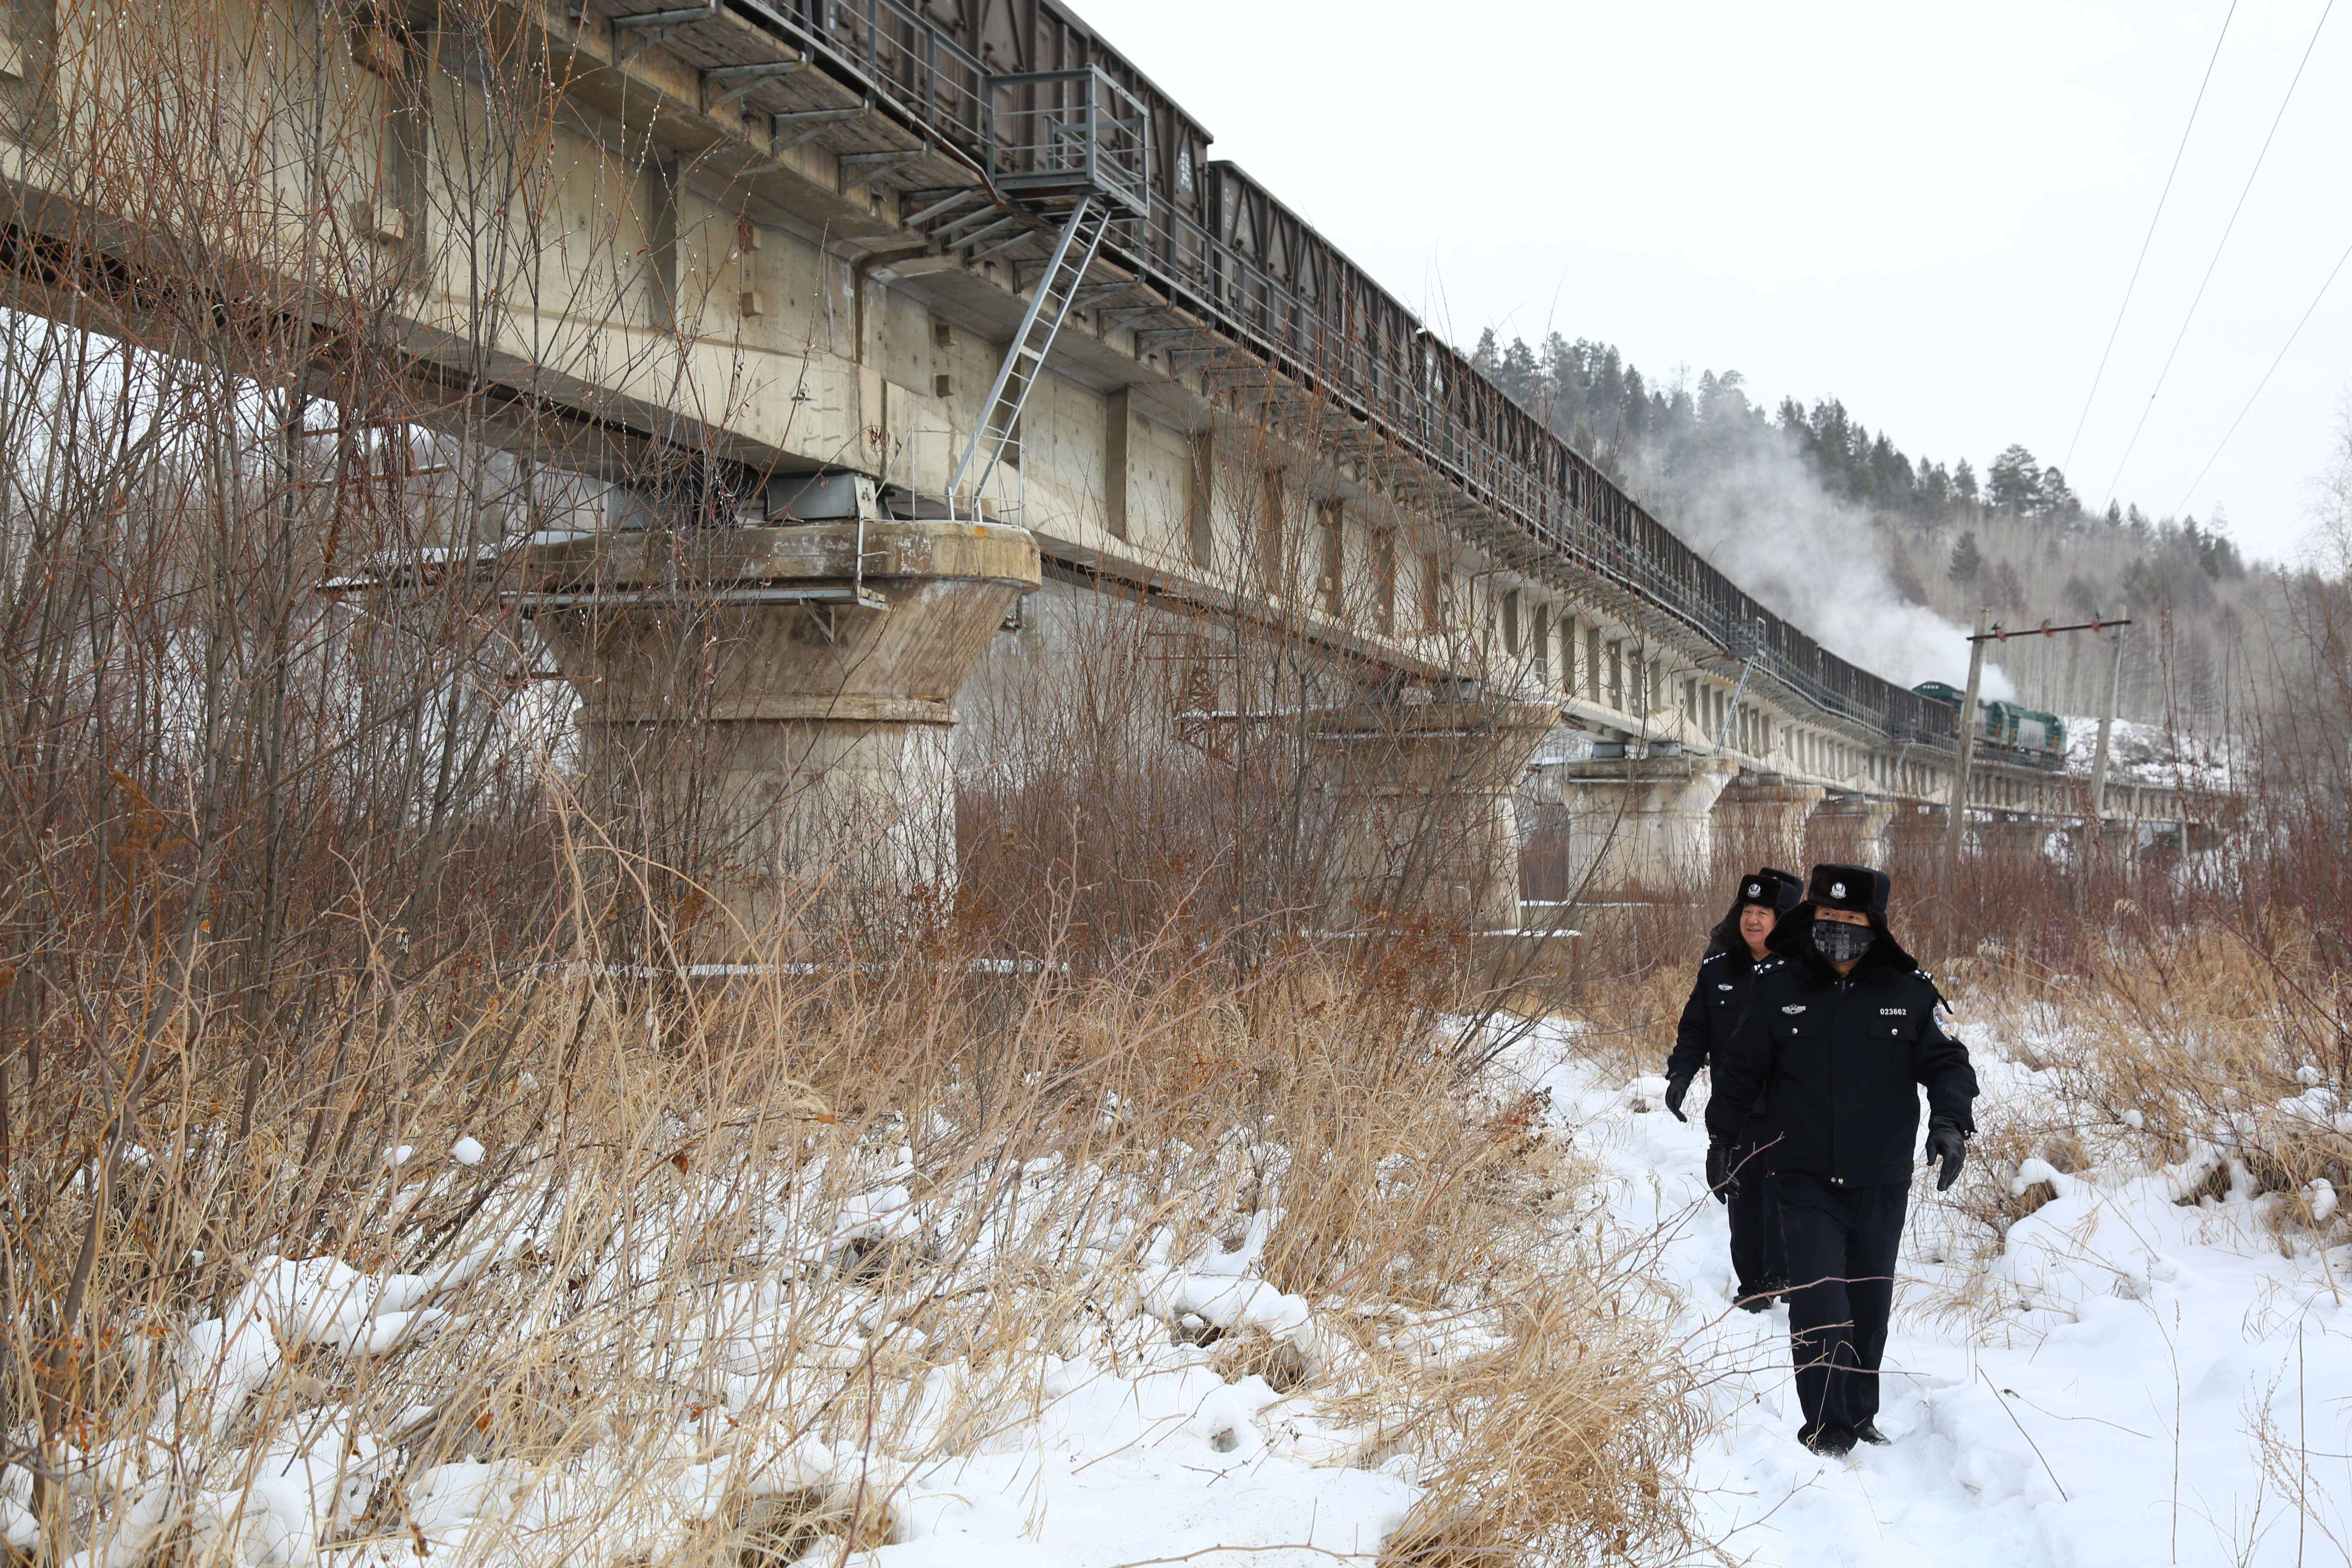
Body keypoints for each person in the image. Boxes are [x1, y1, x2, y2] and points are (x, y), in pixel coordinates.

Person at [1703, 863, 1976, 1458]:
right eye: (1827, 919)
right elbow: (1743, 1070)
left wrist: (1951, 1124)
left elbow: (1948, 1065)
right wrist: (1722, 1139)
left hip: (1881, 1178)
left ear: (1874, 927)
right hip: (1802, 1177)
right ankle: (1826, 1426)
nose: (1837, 931)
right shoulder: (1779, 988)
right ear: (1811, 920)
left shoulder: (1907, 992)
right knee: (1821, 1301)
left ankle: (1859, 1414)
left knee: (1868, 1306)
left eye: (1851, 921)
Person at [1664, 867, 1802, 1310]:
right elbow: (1695, 1029)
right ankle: (1754, 1285)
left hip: (1790, 1101)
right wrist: (1681, 1075)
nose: (1754, 920)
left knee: (1787, 1188)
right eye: (1748, 910)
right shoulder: (1719, 969)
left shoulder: (1802, 973)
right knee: (1741, 1192)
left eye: (1764, 912)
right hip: (1736, 1104)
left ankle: (1788, 1272)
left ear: (1781, 920)